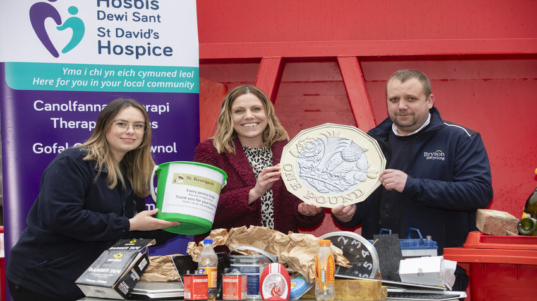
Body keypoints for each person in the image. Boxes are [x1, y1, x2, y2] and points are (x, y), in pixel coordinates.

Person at [332, 69, 493, 291]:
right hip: (384, 255)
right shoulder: (372, 142)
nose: (401, 106)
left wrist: (412, 185)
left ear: (429, 101)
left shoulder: (459, 138)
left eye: (411, 99)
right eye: (394, 99)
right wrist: (348, 214)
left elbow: (479, 192)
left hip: (439, 257)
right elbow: (362, 202)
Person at [6, 98, 179, 301]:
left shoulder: (131, 171)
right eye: (121, 123)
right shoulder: (73, 162)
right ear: (104, 126)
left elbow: (131, 233)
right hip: (44, 280)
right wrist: (129, 223)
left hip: (89, 281)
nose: (131, 131)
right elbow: (62, 217)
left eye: (138, 126)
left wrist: (180, 224)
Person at [193, 85, 324, 243]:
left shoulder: (289, 151)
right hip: (226, 257)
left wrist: (306, 211)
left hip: (280, 257)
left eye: (256, 109)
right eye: (239, 111)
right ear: (228, 116)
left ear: (267, 113)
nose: (249, 116)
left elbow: (301, 211)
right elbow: (201, 209)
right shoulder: (211, 151)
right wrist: (253, 193)